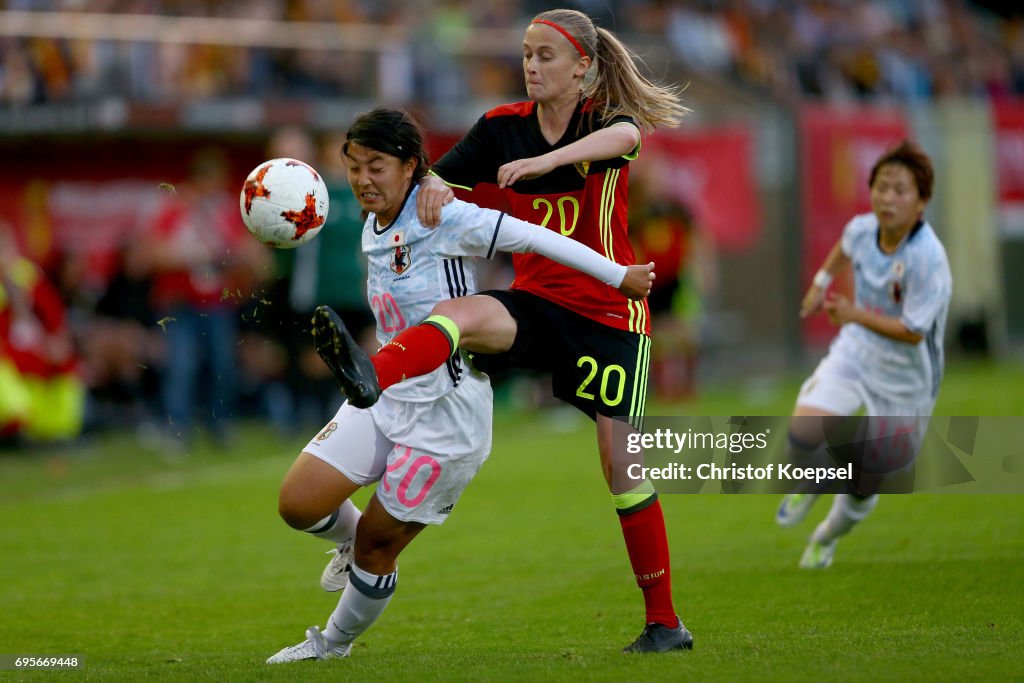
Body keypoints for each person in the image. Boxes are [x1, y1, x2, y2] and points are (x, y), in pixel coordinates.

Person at [314, 8, 693, 653]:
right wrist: (432, 182)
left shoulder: (604, 124)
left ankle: (664, 623)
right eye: (526, 53)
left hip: (607, 313)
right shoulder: (499, 127)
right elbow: (442, 172)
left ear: (583, 68)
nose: (532, 65)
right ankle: (369, 376)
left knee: (619, 464)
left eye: (546, 55)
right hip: (537, 300)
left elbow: (625, 139)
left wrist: (551, 164)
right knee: (463, 317)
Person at [266, 107, 654, 663]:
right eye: (354, 166)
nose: (362, 179)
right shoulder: (369, 217)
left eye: (376, 166)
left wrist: (620, 276)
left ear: (411, 168)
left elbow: (535, 236)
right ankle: (351, 544)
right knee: (297, 503)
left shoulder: (444, 216)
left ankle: (331, 645)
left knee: (380, 545)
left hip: (446, 416)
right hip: (382, 393)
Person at [775, 140, 952, 569]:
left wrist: (853, 312)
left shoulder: (928, 259)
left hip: (906, 380)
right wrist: (820, 283)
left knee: (866, 481)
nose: (888, 198)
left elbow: (912, 332)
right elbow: (844, 248)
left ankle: (825, 537)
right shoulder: (862, 229)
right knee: (802, 435)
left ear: (922, 201)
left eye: (900, 190)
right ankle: (816, 480)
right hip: (857, 352)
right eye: (882, 187)